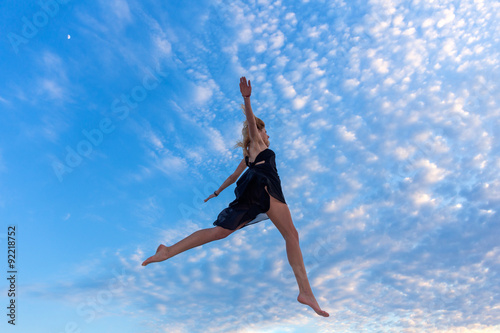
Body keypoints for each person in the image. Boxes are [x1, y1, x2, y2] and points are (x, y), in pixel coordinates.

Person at [142, 77, 329, 317]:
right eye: (265, 131)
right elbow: (251, 125)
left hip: (250, 189)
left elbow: (233, 177)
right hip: (264, 185)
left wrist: (217, 192)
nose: (267, 135)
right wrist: (247, 100)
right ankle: (306, 291)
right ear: (259, 132)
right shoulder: (259, 144)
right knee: (291, 235)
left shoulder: (248, 156)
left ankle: (168, 251)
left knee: (220, 232)